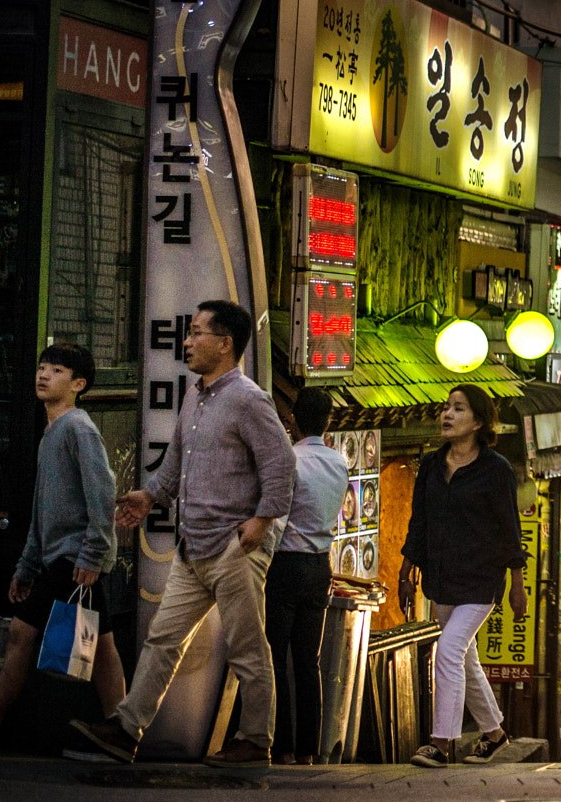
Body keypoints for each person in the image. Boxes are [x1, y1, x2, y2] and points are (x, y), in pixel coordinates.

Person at [69, 300, 294, 768]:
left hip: (237, 546)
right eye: (189, 333)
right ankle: (127, 729)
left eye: (196, 333)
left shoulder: (249, 398)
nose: (187, 342)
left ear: (225, 343)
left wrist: (263, 519)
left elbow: (281, 463)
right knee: (163, 640)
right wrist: (150, 497)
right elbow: (177, 462)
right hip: (194, 548)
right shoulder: (195, 396)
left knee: (247, 647)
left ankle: (255, 740)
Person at [0, 344, 123, 753]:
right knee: (104, 646)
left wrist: (93, 555)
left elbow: (103, 494)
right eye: (41, 367)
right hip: (64, 557)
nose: (43, 375)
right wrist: (26, 566)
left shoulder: (79, 428)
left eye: (57, 370)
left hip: (76, 559)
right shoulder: (51, 434)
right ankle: (122, 730)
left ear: (78, 384)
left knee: (23, 633)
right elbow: (44, 510)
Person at [399, 384, 528, 768]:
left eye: (458, 409)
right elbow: (418, 522)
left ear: (478, 421)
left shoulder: (496, 471)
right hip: (441, 578)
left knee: (450, 651)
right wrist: (407, 571)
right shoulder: (431, 466)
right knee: (465, 657)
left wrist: (517, 584)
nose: (447, 415)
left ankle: (440, 743)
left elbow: (510, 529)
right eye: (446, 408)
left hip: (480, 579)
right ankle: (495, 734)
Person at [265, 388, 350, 765]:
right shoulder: (339, 462)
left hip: (284, 563)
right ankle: (309, 751)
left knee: (275, 657)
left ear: (293, 420)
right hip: (320, 566)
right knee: (308, 660)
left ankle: (280, 745)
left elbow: (277, 518)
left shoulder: (289, 460)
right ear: (329, 421)